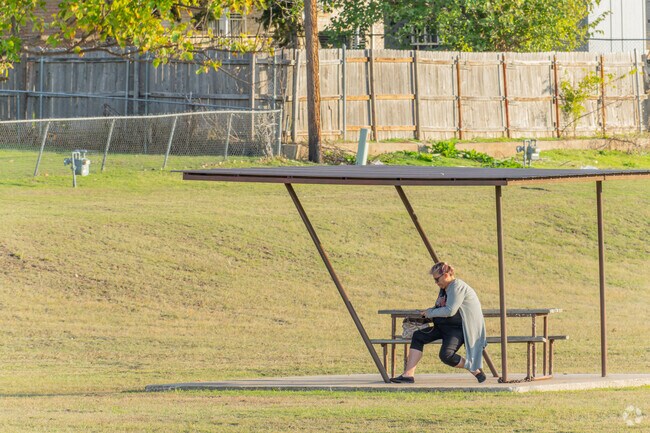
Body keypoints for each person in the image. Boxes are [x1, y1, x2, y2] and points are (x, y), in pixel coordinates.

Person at [390, 262, 487, 383]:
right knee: (418, 336)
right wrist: (427, 313)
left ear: (446, 275)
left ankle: (474, 369)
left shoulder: (457, 286)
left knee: (446, 356)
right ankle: (408, 375)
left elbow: (450, 310)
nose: (436, 283)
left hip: (457, 329)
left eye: (437, 279)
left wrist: (430, 313)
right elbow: (440, 307)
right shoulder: (444, 288)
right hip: (442, 326)